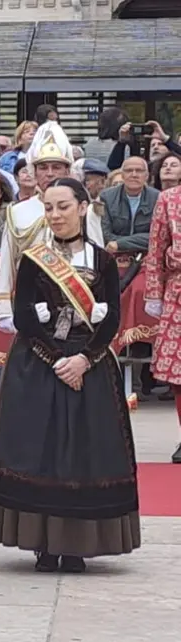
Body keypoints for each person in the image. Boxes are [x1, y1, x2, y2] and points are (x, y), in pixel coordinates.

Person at [0, 179, 139, 571]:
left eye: (63, 206)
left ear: (83, 208)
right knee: (41, 450)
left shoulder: (102, 260)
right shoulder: (34, 258)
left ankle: (77, 544)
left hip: (91, 365)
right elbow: (24, 318)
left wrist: (84, 360)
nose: (55, 215)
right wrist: (56, 361)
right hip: (39, 365)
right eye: (49, 208)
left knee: (85, 452)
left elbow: (111, 319)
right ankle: (43, 543)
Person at [0, 122, 103, 334]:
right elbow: (7, 262)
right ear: (33, 171)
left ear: (68, 170)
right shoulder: (17, 211)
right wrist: (4, 309)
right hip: (31, 305)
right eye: (43, 167)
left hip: (76, 305)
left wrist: (97, 303)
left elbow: (98, 260)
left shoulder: (84, 209)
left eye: (57, 167)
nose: (50, 173)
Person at [146, 181, 181, 463]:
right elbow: (156, 249)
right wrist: (154, 294)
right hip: (178, 292)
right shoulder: (169, 199)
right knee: (178, 375)